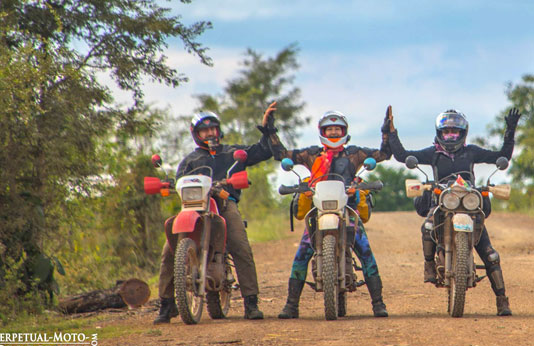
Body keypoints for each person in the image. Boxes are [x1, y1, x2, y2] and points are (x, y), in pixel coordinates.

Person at [384, 106, 521, 316]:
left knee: (490, 255)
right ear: (439, 133)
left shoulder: (471, 151)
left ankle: (502, 300)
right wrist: (391, 133)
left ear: (462, 133)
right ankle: (429, 265)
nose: (450, 135)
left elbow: (502, 156)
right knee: (427, 225)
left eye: (454, 132)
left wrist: (510, 132)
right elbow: (404, 156)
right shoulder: (433, 154)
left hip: (469, 205)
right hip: (441, 202)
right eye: (447, 132)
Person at [260, 102, 392, 318]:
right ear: (322, 132)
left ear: (344, 132)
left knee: (365, 252)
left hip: (348, 209)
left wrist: (387, 131)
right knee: (302, 254)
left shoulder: (355, 154)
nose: (333, 132)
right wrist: (270, 129)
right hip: (318, 211)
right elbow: (281, 153)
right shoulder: (310, 154)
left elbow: (384, 154)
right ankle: (291, 305)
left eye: (337, 129)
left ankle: (378, 303)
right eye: (329, 129)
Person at [154, 110, 273, 324]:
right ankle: (166, 305)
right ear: (195, 133)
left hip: (224, 204)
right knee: (168, 251)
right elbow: (180, 182)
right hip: (192, 208)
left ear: (219, 130)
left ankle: (251, 302)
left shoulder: (232, 153)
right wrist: (170, 184)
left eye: (213, 128)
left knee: (240, 245)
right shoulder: (190, 160)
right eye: (204, 130)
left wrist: (268, 129)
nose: (209, 133)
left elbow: (264, 151)